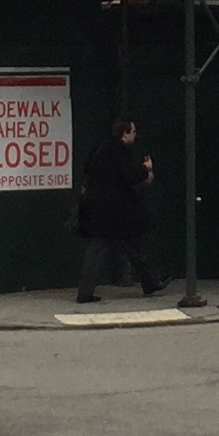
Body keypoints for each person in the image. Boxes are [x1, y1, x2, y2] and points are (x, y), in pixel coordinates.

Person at [74, 116, 164, 303]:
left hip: (97, 206)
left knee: (124, 245)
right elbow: (130, 175)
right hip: (116, 209)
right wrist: (145, 168)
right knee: (118, 245)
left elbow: (87, 168)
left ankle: (151, 281)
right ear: (125, 134)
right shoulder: (120, 151)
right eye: (133, 132)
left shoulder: (100, 147)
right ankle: (85, 292)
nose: (135, 136)